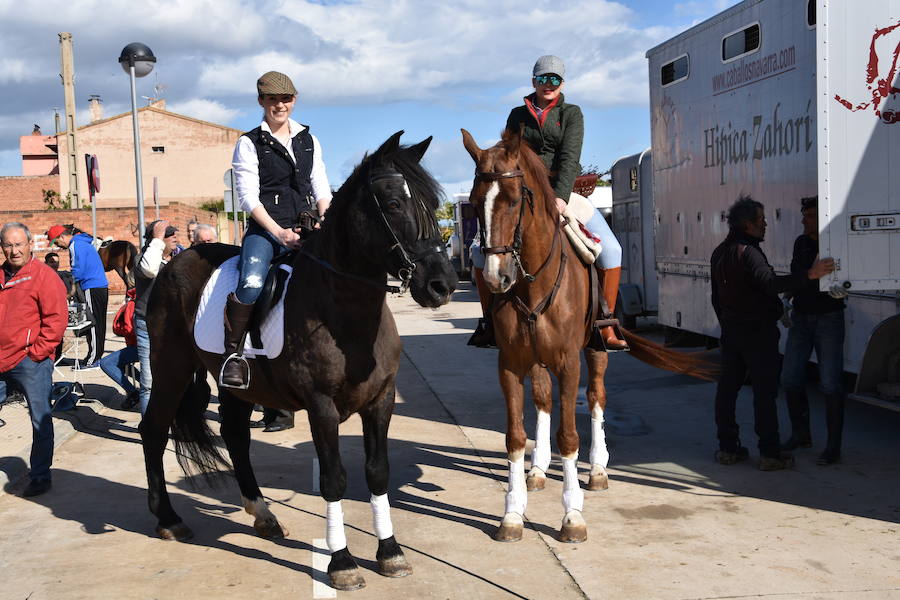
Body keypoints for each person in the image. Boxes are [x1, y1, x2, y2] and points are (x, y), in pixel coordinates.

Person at [468, 55, 627, 351]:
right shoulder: (517, 115)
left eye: (554, 79)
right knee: (479, 251)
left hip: (560, 192)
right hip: (522, 195)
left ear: (562, 83)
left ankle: (605, 324)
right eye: (543, 79)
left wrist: (560, 198)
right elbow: (507, 153)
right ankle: (489, 321)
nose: (548, 84)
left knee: (612, 249)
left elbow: (570, 157)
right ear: (534, 82)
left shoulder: (572, 114)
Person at [219, 69, 332, 419]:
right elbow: (248, 198)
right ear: (261, 102)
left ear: (294, 100)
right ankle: (233, 355)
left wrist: (325, 219)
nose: (279, 105)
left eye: (285, 99)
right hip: (267, 231)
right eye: (272, 99)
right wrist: (278, 233)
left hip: (306, 227)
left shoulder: (308, 139)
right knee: (251, 285)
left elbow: (321, 188)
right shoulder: (249, 142)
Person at [710, 196, 835, 471]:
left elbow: (715, 298)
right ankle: (769, 453)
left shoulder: (720, 252)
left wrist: (728, 324)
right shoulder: (749, 252)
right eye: (761, 220)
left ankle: (728, 448)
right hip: (757, 334)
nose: (766, 224)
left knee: (727, 390)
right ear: (748, 224)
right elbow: (770, 283)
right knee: (764, 394)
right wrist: (810, 275)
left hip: (732, 333)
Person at [0, 222, 68, 497]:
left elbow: (56, 320)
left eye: (19, 244)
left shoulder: (43, 276)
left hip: (31, 360)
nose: (14, 250)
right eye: (8, 245)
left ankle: (40, 475)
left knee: (40, 418)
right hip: (2, 357)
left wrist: (38, 353)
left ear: (30, 245)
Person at [781, 196, 847, 465]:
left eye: (809, 216)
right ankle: (801, 434)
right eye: (804, 215)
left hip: (829, 318)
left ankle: (833, 447)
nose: (803, 221)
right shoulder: (801, 243)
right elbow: (799, 276)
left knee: (830, 382)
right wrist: (787, 299)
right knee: (790, 378)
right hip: (802, 317)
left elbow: (843, 279)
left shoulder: (837, 243)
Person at [47, 224, 109, 368]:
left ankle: (92, 359)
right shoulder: (83, 242)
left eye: (57, 242)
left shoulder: (75, 245)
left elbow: (78, 270)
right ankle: (95, 356)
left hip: (91, 286)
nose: (59, 246)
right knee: (99, 323)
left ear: (62, 236)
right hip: (99, 286)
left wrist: (68, 282)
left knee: (92, 323)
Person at [134, 220, 180, 414]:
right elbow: (150, 270)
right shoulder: (143, 259)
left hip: (174, 327)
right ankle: (150, 429)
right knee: (149, 383)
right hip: (148, 325)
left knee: (175, 380)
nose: (175, 237)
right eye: (169, 235)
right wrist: (157, 239)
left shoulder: (178, 260)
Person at [99, 288, 139, 410]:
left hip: (138, 347)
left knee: (106, 363)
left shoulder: (133, 303)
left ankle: (133, 392)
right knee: (121, 364)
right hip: (152, 347)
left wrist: (118, 327)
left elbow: (128, 329)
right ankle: (143, 383)